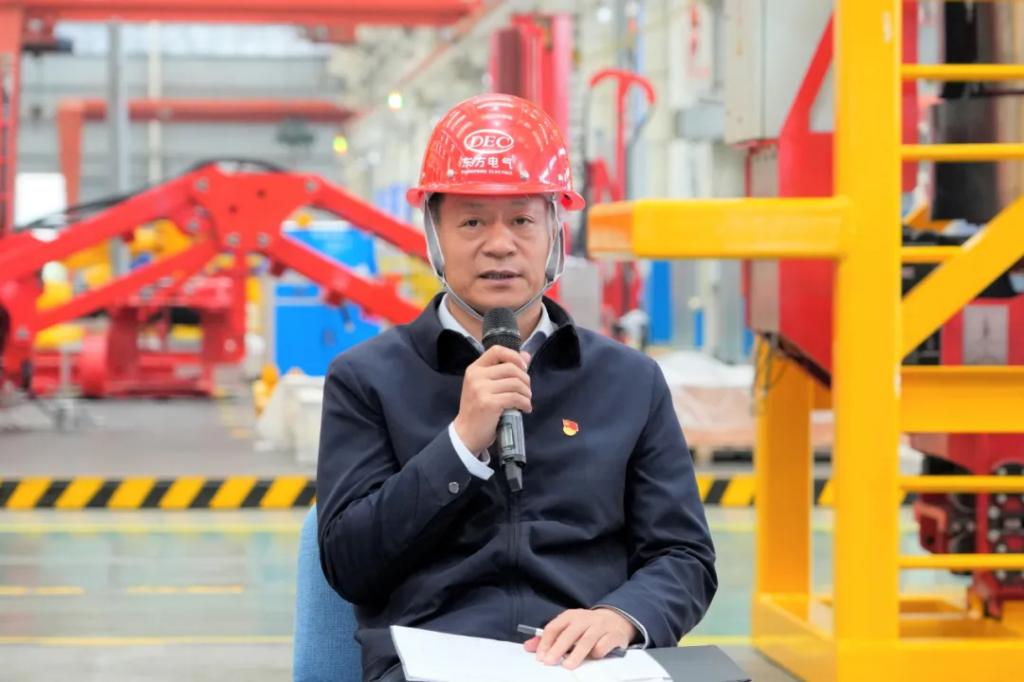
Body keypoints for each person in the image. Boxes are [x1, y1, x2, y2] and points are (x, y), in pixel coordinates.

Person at [316, 93, 717, 682]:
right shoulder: (368, 379)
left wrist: (622, 616)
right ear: (434, 235)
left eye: (523, 220)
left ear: (556, 231)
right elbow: (349, 564)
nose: (500, 243)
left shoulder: (628, 382)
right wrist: (459, 444)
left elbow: (684, 555)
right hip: (434, 665)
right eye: (472, 221)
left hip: (592, 665)